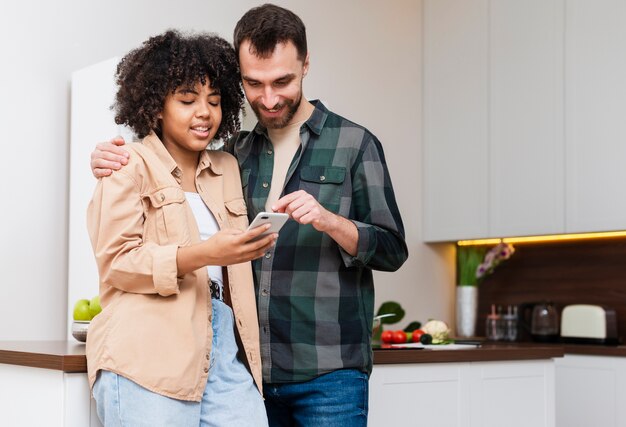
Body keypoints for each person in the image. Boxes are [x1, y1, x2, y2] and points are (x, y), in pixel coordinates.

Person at [90, 4, 408, 426]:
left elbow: (391, 249)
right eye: (254, 84)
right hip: (251, 365)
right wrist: (107, 155)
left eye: (283, 81)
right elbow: (164, 167)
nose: (269, 98)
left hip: (329, 369)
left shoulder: (354, 144)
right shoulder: (233, 154)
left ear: (306, 65)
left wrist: (330, 220)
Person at [86, 29, 275, 427]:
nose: (203, 112)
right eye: (187, 100)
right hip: (147, 349)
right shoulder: (126, 164)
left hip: (221, 343)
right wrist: (206, 255)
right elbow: (119, 263)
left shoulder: (226, 168)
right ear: (156, 107)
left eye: (214, 100)